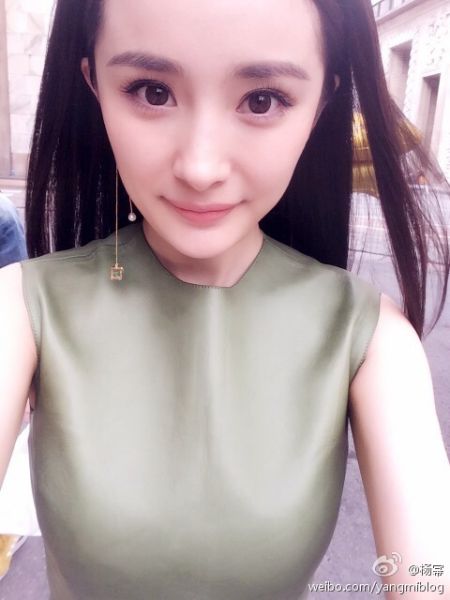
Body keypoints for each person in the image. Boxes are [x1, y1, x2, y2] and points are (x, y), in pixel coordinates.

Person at [1, 0, 449, 598]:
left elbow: (427, 576)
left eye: (262, 100)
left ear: (322, 103)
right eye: (152, 91)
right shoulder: (22, 310)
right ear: (94, 85)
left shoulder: (369, 339)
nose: (201, 167)